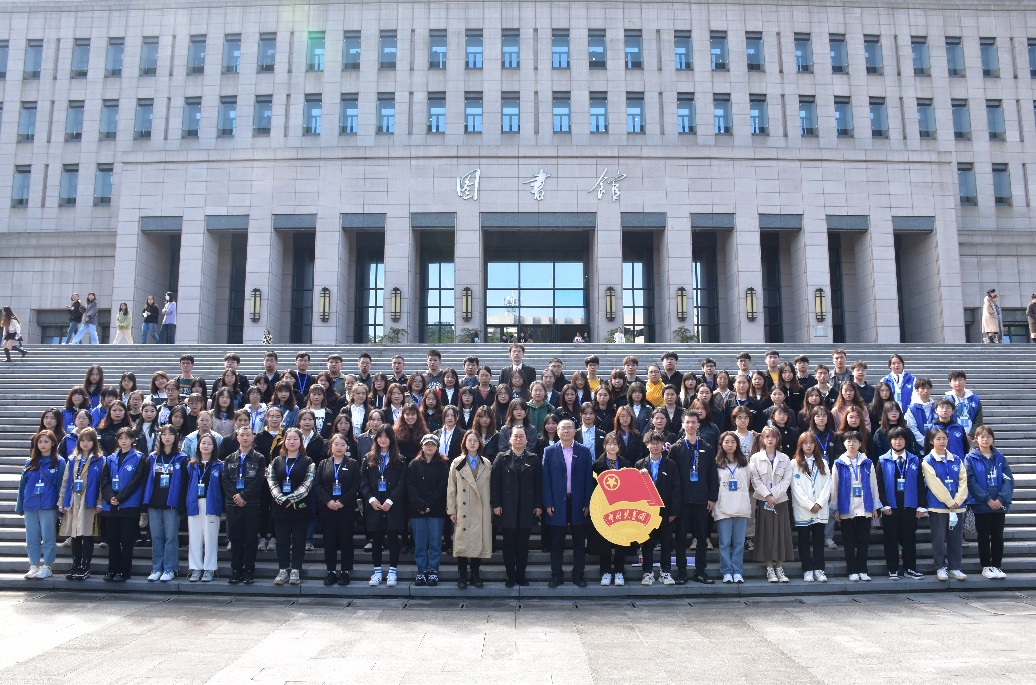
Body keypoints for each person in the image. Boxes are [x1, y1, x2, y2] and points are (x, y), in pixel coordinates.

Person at [542, 418, 594, 588]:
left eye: (569, 428)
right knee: (556, 542)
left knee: (579, 542)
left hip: (578, 503)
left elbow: (588, 479)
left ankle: (578, 575)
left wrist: (587, 502)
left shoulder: (584, 451)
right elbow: (545, 479)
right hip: (557, 503)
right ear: (557, 432)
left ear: (574, 430)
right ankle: (557, 575)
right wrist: (548, 502)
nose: (566, 431)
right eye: (562, 428)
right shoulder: (549, 451)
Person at [669, 412, 718, 584]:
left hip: (701, 500)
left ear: (698, 425)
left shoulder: (706, 447)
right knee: (680, 539)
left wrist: (712, 497)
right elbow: (671, 478)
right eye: (687, 422)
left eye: (693, 422)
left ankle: (700, 571)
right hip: (682, 501)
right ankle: (682, 572)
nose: (690, 425)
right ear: (683, 425)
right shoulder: (675, 448)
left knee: (702, 539)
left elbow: (712, 474)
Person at [876, 427, 927, 580]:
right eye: (895, 439)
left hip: (909, 506)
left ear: (906, 441)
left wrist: (921, 505)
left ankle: (910, 568)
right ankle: (892, 569)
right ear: (890, 441)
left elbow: (920, 484)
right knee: (890, 538)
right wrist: (883, 504)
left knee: (909, 538)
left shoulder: (915, 460)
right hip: (890, 507)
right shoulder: (882, 460)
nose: (898, 442)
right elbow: (878, 484)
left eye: (901, 439)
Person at [99, 427, 149, 581]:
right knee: (112, 540)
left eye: (127, 438)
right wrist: (110, 497)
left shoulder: (139, 458)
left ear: (133, 440)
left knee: (127, 541)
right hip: (111, 505)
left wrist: (121, 497)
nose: (123, 441)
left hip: (129, 504)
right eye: (120, 438)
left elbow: (137, 480)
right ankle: (112, 569)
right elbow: (104, 480)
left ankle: (124, 571)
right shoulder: (110, 458)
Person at [267, 427, 315, 586]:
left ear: (301, 442)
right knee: (282, 540)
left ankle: (295, 570)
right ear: (284, 441)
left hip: (300, 507)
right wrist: (281, 498)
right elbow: (272, 481)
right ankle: (283, 570)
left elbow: (307, 484)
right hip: (280, 507)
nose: (291, 442)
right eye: (288, 439)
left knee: (299, 540)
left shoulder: (308, 461)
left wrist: (291, 499)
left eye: (295, 439)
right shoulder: (277, 461)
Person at [830, 430, 880, 581]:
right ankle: (852, 570)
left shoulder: (867, 462)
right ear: (844, 443)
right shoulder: (838, 463)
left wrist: (875, 506)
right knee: (849, 541)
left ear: (860, 444)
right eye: (848, 441)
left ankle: (863, 570)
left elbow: (873, 485)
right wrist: (835, 507)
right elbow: (834, 486)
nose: (851, 444)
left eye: (855, 441)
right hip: (846, 506)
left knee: (863, 540)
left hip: (865, 505)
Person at [220, 425, 267, 584]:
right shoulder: (229, 458)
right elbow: (225, 479)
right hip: (233, 504)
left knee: (251, 539)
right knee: (235, 539)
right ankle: (236, 570)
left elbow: (259, 480)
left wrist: (244, 495)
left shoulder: (259, 458)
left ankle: (249, 570)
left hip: (251, 504)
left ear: (253, 437)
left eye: (248, 435)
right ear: (237, 437)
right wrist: (236, 496)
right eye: (242, 435)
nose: (245, 437)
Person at [921, 427, 969, 581]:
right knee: (938, 538)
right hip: (938, 506)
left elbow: (963, 480)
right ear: (931, 441)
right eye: (938, 439)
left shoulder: (956, 459)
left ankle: (955, 567)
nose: (942, 441)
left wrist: (958, 500)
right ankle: (940, 567)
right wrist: (949, 501)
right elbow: (933, 483)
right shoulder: (928, 460)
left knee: (956, 538)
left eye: (944, 438)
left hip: (957, 506)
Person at [447, 429, 493, 589]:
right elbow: (451, 488)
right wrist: (451, 510)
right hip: (463, 509)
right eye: (469, 440)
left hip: (481, 509)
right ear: (464, 443)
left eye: (475, 440)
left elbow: (491, 488)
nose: (472, 443)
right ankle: (462, 576)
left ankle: (475, 574)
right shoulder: (457, 462)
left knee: (477, 541)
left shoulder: (486, 463)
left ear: (480, 443)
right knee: (462, 542)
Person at [361, 426, 406, 587]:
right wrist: (370, 499)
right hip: (375, 504)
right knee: (376, 539)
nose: (383, 439)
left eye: (387, 436)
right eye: (380, 436)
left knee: (393, 538)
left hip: (392, 505)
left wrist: (391, 500)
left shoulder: (399, 459)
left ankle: (392, 571)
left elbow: (402, 483)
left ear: (392, 439)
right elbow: (363, 482)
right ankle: (377, 572)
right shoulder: (368, 458)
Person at [16, 430, 66, 580]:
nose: (42, 445)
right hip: (30, 503)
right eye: (39, 442)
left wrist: (60, 505)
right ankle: (34, 565)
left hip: (48, 504)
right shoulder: (30, 462)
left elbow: (61, 485)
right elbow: (22, 485)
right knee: (31, 537)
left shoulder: (59, 462)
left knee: (48, 536)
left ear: (53, 443)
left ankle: (47, 566)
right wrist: (20, 505)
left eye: (46, 441)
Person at [965, 426, 1013, 579]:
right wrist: (987, 499)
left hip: (999, 504)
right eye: (982, 436)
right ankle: (986, 566)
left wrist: (1000, 499)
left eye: (988, 436)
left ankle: (997, 565)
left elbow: (1008, 479)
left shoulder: (1000, 457)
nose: (985, 439)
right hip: (981, 505)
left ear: (993, 439)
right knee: (983, 536)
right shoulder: (971, 458)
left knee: (998, 536)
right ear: (976, 439)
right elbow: (971, 481)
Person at [314, 432, 361, 586]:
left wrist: (342, 501)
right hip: (327, 508)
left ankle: (345, 571)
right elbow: (318, 485)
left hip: (346, 508)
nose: (339, 447)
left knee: (346, 539)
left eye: (342, 445)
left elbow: (355, 486)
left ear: (347, 447)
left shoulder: (353, 464)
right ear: (331, 446)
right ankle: (331, 571)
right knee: (329, 540)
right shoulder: (323, 464)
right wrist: (328, 501)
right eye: (336, 444)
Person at [748, 426, 793, 583]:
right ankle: (769, 567)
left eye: (773, 437)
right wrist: (767, 496)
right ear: (762, 439)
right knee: (766, 533)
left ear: (778, 439)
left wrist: (774, 495)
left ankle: (779, 567)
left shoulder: (785, 458)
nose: (770, 439)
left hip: (780, 501)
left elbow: (787, 480)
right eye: (767, 436)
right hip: (763, 501)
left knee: (781, 533)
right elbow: (755, 480)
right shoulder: (755, 458)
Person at [58, 427, 104, 579]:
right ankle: (76, 564)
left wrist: (99, 502)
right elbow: (66, 481)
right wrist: (62, 502)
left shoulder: (100, 460)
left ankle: (86, 566)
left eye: (89, 440)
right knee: (75, 534)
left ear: (94, 442)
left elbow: (101, 483)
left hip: (89, 500)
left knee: (87, 533)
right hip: (73, 500)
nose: (85, 443)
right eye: (83, 440)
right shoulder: (73, 459)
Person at [636, 431, 681, 586]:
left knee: (666, 542)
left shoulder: (671, 464)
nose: (655, 446)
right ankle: (648, 572)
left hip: (665, 511)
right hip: (646, 511)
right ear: (647, 445)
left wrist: (674, 511)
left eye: (658, 443)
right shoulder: (640, 464)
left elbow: (676, 489)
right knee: (647, 542)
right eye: (652, 443)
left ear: (663, 445)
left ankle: (665, 571)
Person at [143, 425, 187, 582]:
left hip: (171, 504)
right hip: (154, 502)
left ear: (176, 437)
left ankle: (170, 568)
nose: (167, 437)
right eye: (164, 434)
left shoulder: (182, 458)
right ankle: (156, 568)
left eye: (170, 434)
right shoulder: (153, 457)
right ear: (160, 437)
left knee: (170, 537)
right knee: (156, 537)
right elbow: (146, 480)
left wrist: (181, 505)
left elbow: (184, 483)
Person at [588, 432, 631, 587]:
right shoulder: (596, 465)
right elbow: (591, 488)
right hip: (602, 508)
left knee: (620, 539)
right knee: (603, 540)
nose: (612, 447)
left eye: (615, 444)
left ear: (619, 447)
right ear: (604, 446)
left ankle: (619, 571)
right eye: (609, 443)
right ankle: (605, 571)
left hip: (620, 508)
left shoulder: (626, 464)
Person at [408, 434, 450, 587]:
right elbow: (410, 487)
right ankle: (422, 571)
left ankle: (433, 570)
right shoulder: (413, 464)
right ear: (422, 446)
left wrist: (429, 505)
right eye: (427, 444)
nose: (429, 447)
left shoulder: (443, 465)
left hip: (436, 510)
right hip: (417, 511)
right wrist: (421, 505)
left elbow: (442, 486)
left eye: (433, 444)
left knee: (435, 543)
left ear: (437, 447)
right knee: (420, 543)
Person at [789, 432, 831, 583]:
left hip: (820, 508)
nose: (808, 446)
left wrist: (819, 503)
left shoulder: (823, 462)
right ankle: (807, 569)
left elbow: (827, 485)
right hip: (803, 509)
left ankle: (819, 569)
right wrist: (809, 504)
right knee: (804, 540)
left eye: (811, 443)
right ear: (800, 445)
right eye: (805, 443)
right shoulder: (794, 464)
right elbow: (795, 487)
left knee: (819, 540)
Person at [713, 431, 751, 583]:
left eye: (733, 442)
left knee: (739, 543)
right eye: (726, 442)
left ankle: (737, 571)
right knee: (724, 543)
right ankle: (727, 571)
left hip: (741, 505)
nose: (730, 445)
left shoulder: (744, 463)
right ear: (721, 444)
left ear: (737, 444)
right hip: (723, 507)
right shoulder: (717, 463)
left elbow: (748, 482)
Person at [185, 432, 222, 582]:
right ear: (198, 446)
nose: (206, 446)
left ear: (214, 447)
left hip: (211, 503)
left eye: (209, 443)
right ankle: (195, 568)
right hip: (194, 503)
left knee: (210, 537)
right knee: (194, 537)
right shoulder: (191, 465)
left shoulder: (219, 465)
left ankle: (209, 568)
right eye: (203, 443)